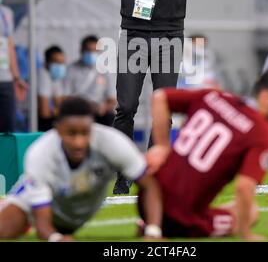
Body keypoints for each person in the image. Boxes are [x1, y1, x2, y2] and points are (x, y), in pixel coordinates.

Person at [93, 0, 215, 193]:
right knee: (126, 107)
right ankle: (123, 175)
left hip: (169, 35)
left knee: (162, 110)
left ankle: (152, 173)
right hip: (133, 34)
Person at [142, 69, 268, 240]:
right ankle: (159, 229)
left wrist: (162, 146)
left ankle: (151, 224)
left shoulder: (215, 96)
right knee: (250, 213)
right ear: (267, 97)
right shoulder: (263, 132)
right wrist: (246, 234)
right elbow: (244, 187)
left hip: (149, 196)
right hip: (178, 218)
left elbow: (159, 97)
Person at [0, 97, 163, 241]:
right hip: (43, 209)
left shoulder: (113, 143)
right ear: (57, 129)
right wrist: (55, 238)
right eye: (71, 134)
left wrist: (154, 231)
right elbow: (43, 225)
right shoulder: (40, 154)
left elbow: (149, 185)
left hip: (74, 213)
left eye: (85, 133)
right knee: (3, 231)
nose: (79, 142)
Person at [64, 35, 116, 127]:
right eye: (88, 50)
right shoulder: (71, 70)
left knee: (111, 117)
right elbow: (66, 97)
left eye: (94, 50)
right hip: (77, 110)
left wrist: (103, 108)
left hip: (98, 112)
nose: (91, 53)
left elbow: (112, 99)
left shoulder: (105, 71)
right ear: (81, 51)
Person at [0, 0, 27, 133]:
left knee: (7, 128)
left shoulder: (6, 13)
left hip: (5, 80)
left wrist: (16, 77)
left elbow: (9, 44)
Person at [38, 46, 66, 131]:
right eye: (56, 63)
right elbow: (45, 113)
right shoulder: (42, 76)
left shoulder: (55, 78)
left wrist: (55, 111)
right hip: (30, 121)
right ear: (46, 63)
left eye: (62, 63)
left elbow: (60, 104)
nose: (60, 66)